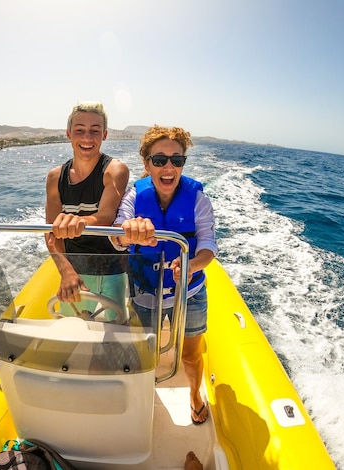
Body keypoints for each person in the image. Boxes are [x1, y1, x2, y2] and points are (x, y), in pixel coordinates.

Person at [111, 125, 217, 425]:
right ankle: (144, 400)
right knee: (146, 354)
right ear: (147, 164)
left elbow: (208, 244)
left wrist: (193, 265)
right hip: (146, 293)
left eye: (176, 160)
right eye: (159, 160)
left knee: (191, 355)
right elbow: (117, 236)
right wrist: (129, 234)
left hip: (190, 292)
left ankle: (195, 395)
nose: (168, 167)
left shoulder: (198, 200)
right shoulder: (134, 197)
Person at [44, 102, 130, 317]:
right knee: (70, 334)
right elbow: (51, 233)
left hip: (113, 269)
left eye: (95, 131)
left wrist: (79, 222)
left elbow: (106, 216)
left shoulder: (115, 170)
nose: (87, 138)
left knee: (117, 335)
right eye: (80, 130)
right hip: (74, 267)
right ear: (68, 134)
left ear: (105, 135)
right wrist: (66, 271)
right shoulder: (55, 177)